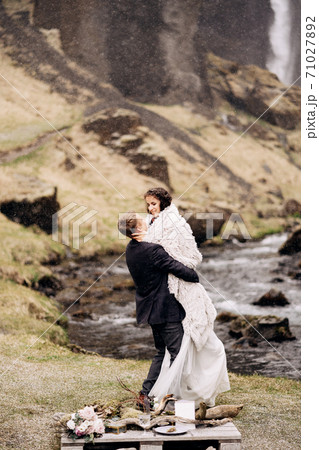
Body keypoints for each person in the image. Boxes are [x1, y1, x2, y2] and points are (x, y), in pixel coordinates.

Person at [132, 187, 230, 407]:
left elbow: (190, 255)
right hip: (165, 301)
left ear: (164, 203)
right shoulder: (151, 233)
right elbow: (169, 261)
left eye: (153, 204)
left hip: (168, 298)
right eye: (147, 204)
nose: (150, 208)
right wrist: (187, 274)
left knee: (174, 349)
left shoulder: (173, 226)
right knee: (177, 351)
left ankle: (152, 394)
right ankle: (172, 397)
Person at [118, 211, 200, 407]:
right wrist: (195, 275)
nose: (146, 220)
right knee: (177, 354)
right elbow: (177, 268)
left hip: (149, 309)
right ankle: (170, 398)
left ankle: (144, 394)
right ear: (137, 228)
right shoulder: (153, 250)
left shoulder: (131, 249)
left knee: (160, 353)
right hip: (165, 309)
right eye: (141, 220)